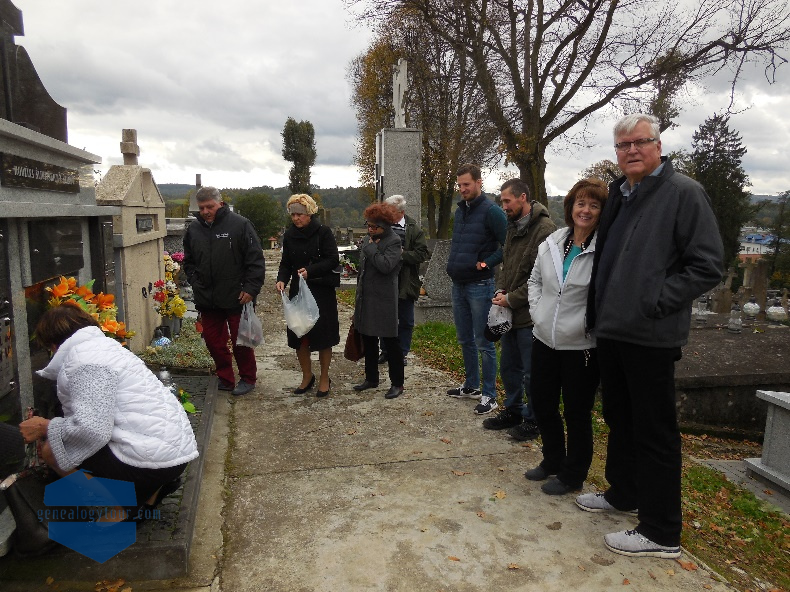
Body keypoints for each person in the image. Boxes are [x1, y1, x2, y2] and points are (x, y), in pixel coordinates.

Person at [577, 114, 724, 558]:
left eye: (641, 142)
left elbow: (707, 265)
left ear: (658, 145)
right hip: (613, 331)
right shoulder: (622, 194)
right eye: (623, 146)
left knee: (655, 432)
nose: (632, 151)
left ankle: (662, 531)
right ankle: (624, 493)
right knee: (621, 420)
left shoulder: (684, 193)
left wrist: (655, 300)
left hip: (651, 334)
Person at [19, 306, 198, 518]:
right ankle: (148, 497)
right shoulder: (107, 348)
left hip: (155, 461)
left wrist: (44, 427)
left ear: (53, 344)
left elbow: (93, 430)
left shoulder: (84, 361)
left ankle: (116, 509)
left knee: (53, 450)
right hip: (178, 452)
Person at [525, 178, 607, 495]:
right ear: (571, 206)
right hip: (544, 338)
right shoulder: (554, 242)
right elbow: (534, 281)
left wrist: (590, 324)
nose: (585, 210)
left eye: (594, 205)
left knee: (576, 412)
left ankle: (574, 475)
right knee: (543, 404)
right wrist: (538, 312)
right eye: (580, 203)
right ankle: (553, 460)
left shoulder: (603, 249)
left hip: (581, 346)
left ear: (601, 212)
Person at [183, 186, 265, 397]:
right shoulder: (194, 230)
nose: (206, 211)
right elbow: (189, 261)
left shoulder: (240, 225)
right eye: (201, 208)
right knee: (213, 342)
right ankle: (226, 378)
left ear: (220, 203)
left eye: (209, 206)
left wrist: (251, 289)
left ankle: (248, 378)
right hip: (207, 297)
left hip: (237, 296)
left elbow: (255, 259)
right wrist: (194, 281)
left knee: (241, 342)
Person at [445, 164, 507, 415]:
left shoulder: (492, 211)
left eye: (466, 185)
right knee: (464, 339)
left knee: (484, 342)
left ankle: (490, 394)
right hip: (458, 283)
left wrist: (487, 264)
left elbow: (507, 245)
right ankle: (471, 385)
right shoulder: (461, 211)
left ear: (479, 183)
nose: (462, 190)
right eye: (459, 185)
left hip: (480, 284)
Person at [276, 194, 340, 398]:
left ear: (309, 213)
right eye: (293, 214)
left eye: (300, 214)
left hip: (321, 291)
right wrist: (282, 280)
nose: (296, 218)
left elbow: (332, 259)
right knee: (299, 335)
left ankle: (324, 377)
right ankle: (307, 375)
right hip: (298, 291)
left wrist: (311, 271)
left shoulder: (323, 233)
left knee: (323, 338)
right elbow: (286, 262)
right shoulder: (289, 235)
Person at [352, 202, 405, 399]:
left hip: (384, 300)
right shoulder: (369, 239)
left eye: (375, 227)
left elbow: (386, 266)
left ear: (386, 225)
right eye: (368, 225)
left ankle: (397, 383)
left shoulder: (394, 241)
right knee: (369, 339)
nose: (370, 229)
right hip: (367, 298)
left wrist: (371, 249)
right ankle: (371, 378)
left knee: (391, 343)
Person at [375, 195, 429, 367]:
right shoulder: (381, 226)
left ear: (401, 212)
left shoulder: (413, 229)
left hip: (406, 281)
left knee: (406, 320)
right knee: (385, 318)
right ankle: (385, 351)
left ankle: (402, 352)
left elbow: (422, 253)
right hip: (385, 279)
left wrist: (402, 255)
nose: (387, 215)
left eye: (391, 212)